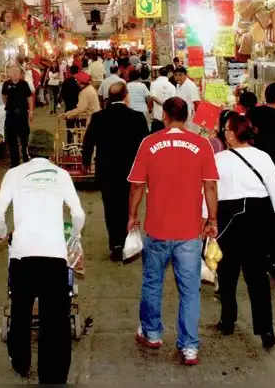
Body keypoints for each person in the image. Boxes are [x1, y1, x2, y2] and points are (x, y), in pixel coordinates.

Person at [127, 98, 219, 366]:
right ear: (188, 116)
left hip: (157, 229)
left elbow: (136, 186)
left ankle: (152, 333)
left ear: (164, 116)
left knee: (153, 282)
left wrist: (132, 216)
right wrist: (212, 219)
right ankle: (189, 347)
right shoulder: (202, 145)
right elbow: (211, 187)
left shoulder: (149, 143)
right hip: (190, 231)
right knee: (190, 289)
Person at [0, 129, 86, 385]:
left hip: (22, 256)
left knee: (20, 313)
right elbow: (78, 215)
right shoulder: (61, 175)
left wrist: (2, 236)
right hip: (54, 255)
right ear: (51, 151)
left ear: (29, 149)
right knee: (54, 320)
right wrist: (73, 237)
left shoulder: (13, 174)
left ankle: (21, 363)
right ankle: (52, 376)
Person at [212, 114, 275, 350]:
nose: (224, 133)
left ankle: (228, 320)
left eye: (227, 130)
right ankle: (266, 330)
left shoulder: (218, 159)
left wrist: (208, 219)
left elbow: (209, 191)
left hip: (229, 217)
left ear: (234, 133)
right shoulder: (263, 156)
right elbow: (274, 189)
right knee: (257, 275)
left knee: (227, 273)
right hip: (260, 216)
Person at [82, 82, 148, 261]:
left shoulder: (99, 117)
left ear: (108, 99)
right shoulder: (137, 117)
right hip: (130, 170)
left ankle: (116, 244)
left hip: (107, 170)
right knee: (129, 206)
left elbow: (88, 142)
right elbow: (145, 145)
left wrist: (85, 162)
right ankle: (128, 242)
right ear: (126, 96)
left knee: (111, 208)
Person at [3, 66, 34, 167]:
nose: (15, 74)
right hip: (11, 114)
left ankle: (25, 154)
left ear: (20, 74)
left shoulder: (24, 84)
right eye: (13, 72)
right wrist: (7, 105)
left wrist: (31, 111)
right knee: (11, 137)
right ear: (10, 74)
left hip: (22, 113)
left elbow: (29, 97)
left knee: (24, 135)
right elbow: (4, 96)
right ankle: (14, 161)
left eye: (17, 72)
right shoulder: (6, 84)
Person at [173, 67, 200, 132]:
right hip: (181, 118)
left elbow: (197, 103)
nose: (178, 77)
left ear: (185, 75)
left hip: (190, 119)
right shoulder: (178, 85)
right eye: (176, 75)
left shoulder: (191, 86)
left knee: (191, 137)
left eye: (180, 75)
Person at [149, 66, 175, 133]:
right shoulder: (172, 87)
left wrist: (150, 108)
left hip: (157, 119)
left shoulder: (153, 84)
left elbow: (152, 98)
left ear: (158, 73)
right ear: (167, 74)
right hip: (168, 119)